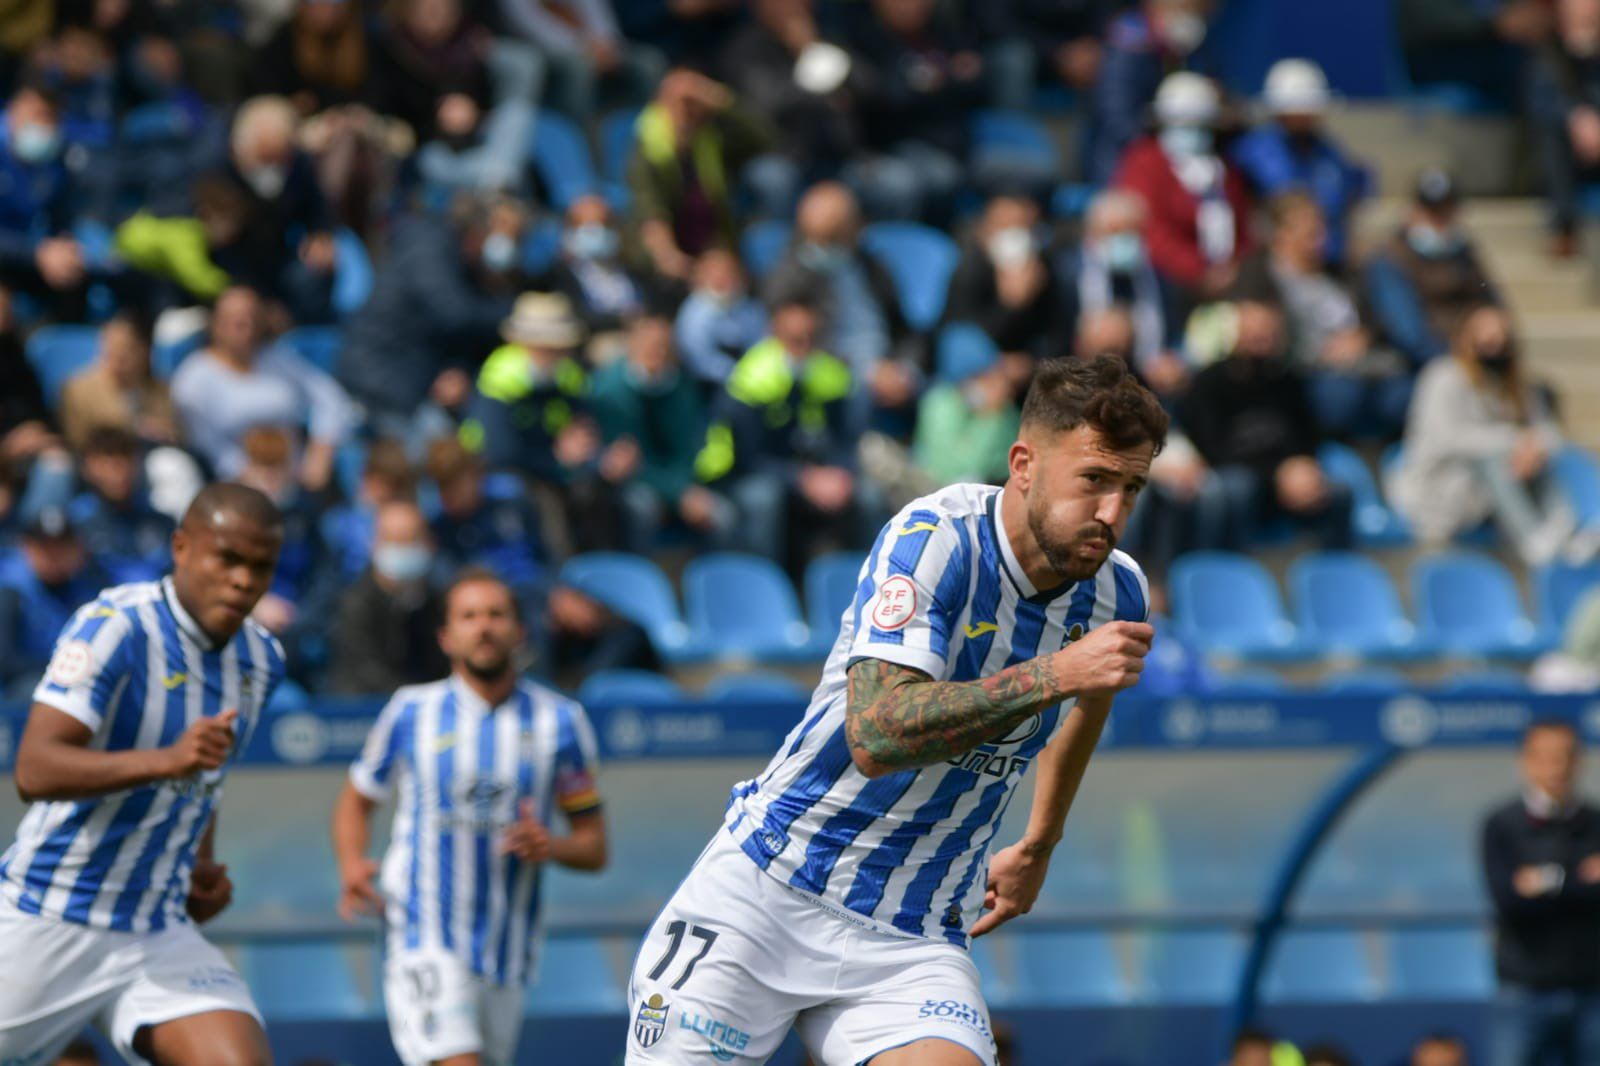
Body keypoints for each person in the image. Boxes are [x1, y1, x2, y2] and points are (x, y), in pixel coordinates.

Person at [628, 355, 1163, 1065]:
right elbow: (876, 734)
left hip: (911, 931)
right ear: (1024, 463)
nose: (1112, 513)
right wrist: (1055, 672)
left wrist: (1040, 842)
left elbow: (1087, 704)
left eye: (1132, 487)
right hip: (770, 888)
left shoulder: (1116, 590)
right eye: (1094, 480)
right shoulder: (934, 539)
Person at [0, 482, 286, 1066]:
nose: (243, 580)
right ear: (181, 547)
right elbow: (35, 768)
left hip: (154, 929)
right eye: (227, 558)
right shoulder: (115, 625)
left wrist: (199, 864)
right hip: (50, 912)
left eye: (260, 567)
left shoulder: (262, 659)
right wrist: (166, 759)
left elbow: (206, 774)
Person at [332, 568, 607, 1066]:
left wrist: (551, 845)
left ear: (520, 632)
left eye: (496, 615)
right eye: (469, 616)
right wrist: (353, 864)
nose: (484, 627)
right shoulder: (410, 712)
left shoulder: (560, 722)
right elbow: (357, 799)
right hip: (423, 930)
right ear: (446, 636)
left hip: (508, 950)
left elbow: (594, 846)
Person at [1387, 305, 1584, 565]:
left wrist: (1533, 447)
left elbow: (1549, 431)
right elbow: (1447, 439)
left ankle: (1564, 533)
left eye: (1501, 336)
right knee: (1495, 456)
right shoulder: (1443, 376)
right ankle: (1533, 541)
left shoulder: (1517, 383)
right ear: (1465, 337)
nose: (1493, 343)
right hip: (1441, 488)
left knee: (1537, 456)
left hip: (1495, 489)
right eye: (1484, 335)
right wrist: (1515, 443)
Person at [694, 293, 875, 574]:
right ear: (773, 335)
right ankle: (765, 592)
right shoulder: (750, 380)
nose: (802, 348)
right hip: (749, 476)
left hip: (815, 475)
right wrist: (802, 479)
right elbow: (749, 457)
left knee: (868, 496)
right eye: (794, 339)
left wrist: (840, 472)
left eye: (810, 338)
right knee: (764, 499)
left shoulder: (831, 374)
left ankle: (869, 594)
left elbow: (846, 439)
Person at [337, 192, 531, 439]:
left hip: (418, 378)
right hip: (380, 378)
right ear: (475, 232)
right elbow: (455, 314)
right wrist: (519, 313)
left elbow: (463, 335)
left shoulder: (468, 265)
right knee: (436, 453)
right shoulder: (428, 248)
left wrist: (457, 368)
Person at [1179, 298, 1353, 550]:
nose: (1261, 342)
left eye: (1269, 334)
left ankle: (1335, 575)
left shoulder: (1288, 379)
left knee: (1340, 492)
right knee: (1237, 488)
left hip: (1290, 477)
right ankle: (1230, 568)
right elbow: (1212, 448)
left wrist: (1304, 466)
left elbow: (1310, 434)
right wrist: (1276, 475)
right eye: (1254, 335)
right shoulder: (1208, 383)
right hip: (1242, 475)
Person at [1244, 191, 1411, 439]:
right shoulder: (1262, 278)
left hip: (1366, 366)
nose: (1321, 239)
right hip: (1309, 375)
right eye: (1310, 233)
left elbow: (1377, 320)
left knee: (1405, 391)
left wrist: (1363, 337)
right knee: (1341, 395)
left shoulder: (1339, 274)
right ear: (1281, 234)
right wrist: (1324, 355)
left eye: (1322, 229)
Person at [1481, 720, 1600, 1066]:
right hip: (1523, 989)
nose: (1555, 768)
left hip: (1591, 988)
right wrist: (1578, 880)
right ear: (1526, 761)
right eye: (1545, 757)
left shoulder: (1595, 823)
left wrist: (1544, 882)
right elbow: (1508, 901)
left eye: (1564, 757)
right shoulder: (1501, 824)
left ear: (1579, 761)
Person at [170, 285, 354, 489]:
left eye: (252, 318)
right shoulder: (194, 376)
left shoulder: (278, 360)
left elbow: (329, 397)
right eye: (236, 321)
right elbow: (203, 439)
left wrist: (321, 449)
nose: (246, 327)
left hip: (295, 478)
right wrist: (244, 472)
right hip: (232, 485)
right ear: (216, 324)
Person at [765, 182, 921, 419]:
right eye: (819, 239)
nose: (823, 247)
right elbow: (802, 342)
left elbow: (903, 327)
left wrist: (905, 368)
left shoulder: (873, 266)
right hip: (839, 373)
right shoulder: (790, 276)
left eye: (834, 236)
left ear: (854, 228)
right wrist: (869, 372)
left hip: (888, 364)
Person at [1114, 72, 1253, 311]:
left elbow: (1243, 227)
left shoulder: (1223, 169)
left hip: (1228, 286)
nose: (1193, 132)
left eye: (1200, 124)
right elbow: (1150, 230)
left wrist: (1234, 270)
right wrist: (1199, 272)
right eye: (1184, 124)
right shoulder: (1145, 161)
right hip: (1169, 289)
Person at [589, 312, 726, 553]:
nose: (656, 352)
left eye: (663, 346)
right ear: (631, 344)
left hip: (679, 481)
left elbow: (690, 448)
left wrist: (686, 489)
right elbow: (626, 462)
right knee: (643, 506)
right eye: (648, 344)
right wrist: (678, 493)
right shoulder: (607, 392)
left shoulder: (683, 388)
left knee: (723, 515)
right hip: (636, 483)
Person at [627, 68, 775, 283]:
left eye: (693, 103)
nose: (686, 110)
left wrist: (721, 99)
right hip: (671, 256)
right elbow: (649, 211)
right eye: (679, 102)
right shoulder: (647, 147)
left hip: (713, 245)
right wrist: (668, 256)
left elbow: (765, 139)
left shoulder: (710, 139)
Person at [840, 0, 981, 222]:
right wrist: (943, 80)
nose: (915, 5)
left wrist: (938, 83)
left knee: (1027, 170)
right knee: (934, 177)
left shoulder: (943, 32)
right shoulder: (865, 40)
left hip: (957, 141)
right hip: (892, 146)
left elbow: (974, 81)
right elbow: (890, 98)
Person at [200, 95, 337, 323]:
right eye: (266, 158)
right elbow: (221, 248)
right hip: (230, 269)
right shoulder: (215, 173)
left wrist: (320, 236)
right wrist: (263, 305)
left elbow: (317, 208)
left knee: (315, 277)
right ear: (243, 148)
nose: (274, 167)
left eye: (280, 158)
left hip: (281, 259)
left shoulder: (296, 164)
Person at [1231, 59, 1374, 268]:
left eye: (1310, 110)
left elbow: (1350, 189)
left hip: (1329, 260)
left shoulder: (1327, 152)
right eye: (1298, 111)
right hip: (1278, 266)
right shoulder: (1252, 153)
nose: (1306, 117)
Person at [1364, 168, 1502, 368]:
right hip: (1420, 370)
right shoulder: (1390, 259)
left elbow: (1492, 306)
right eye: (1433, 212)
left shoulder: (1464, 254)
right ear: (1414, 212)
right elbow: (1410, 335)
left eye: (1447, 210)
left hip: (1473, 360)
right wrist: (1461, 360)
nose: (1440, 220)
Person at [1061, 190, 1187, 402]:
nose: (1124, 239)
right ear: (1093, 233)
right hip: (1081, 387)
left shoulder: (1158, 277)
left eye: (1132, 231)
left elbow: (1175, 334)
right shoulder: (1067, 274)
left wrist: (1175, 361)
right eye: (1115, 230)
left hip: (1146, 387)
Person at [326, 498, 450, 695]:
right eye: (395, 541)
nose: (404, 549)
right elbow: (366, 672)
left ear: (430, 544)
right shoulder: (354, 604)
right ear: (375, 545)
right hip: (364, 711)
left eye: (412, 540)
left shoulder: (440, 602)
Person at [1084, 0, 1215, 185]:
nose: (1193, 17)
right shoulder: (1130, 40)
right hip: (1123, 166)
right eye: (1186, 8)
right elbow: (1118, 118)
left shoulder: (1189, 46)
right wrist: (1160, 155)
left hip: (1177, 163)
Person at [0, 507, 120, 695]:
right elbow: (5, 660)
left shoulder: (91, 586)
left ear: (78, 548)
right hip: (23, 687)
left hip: (78, 678)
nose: (54, 555)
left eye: (62, 546)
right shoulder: (10, 587)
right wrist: (63, 670)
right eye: (45, 547)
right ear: (27, 547)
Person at [944, 193, 1072, 367]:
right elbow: (963, 340)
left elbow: (1057, 337)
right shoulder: (967, 270)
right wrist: (1010, 305)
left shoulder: (1044, 269)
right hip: (981, 372)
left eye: (1020, 228)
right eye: (1004, 227)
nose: (1012, 237)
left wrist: (1030, 362)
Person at [0, 79, 90, 320]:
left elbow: (60, 218)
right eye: (37, 114)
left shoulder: (56, 160)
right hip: (14, 252)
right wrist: (37, 253)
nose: (43, 125)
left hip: (22, 255)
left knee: (74, 277)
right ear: (12, 110)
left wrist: (64, 248)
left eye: (51, 118)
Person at [497, 0, 663, 121]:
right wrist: (582, 47)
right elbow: (530, 27)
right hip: (544, 49)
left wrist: (606, 44)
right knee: (579, 68)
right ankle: (579, 139)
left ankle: (647, 136)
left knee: (649, 61)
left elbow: (599, 14)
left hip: (596, 45)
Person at [1527, 0, 1600, 258]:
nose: (1584, 22)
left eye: (1591, 16)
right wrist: (1575, 115)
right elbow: (1541, 100)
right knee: (1551, 135)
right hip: (1573, 151)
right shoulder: (1549, 52)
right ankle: (1563, 227)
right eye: (1576, 16)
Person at [914, 323, 1020, 488]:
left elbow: (1012, 460)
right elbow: (953, 471)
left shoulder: (1004, 407)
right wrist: (989, 418)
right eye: (981, 376)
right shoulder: (940, 404)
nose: (991, 383)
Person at [544, 194, 647, 357]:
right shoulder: (560, 274)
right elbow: (573, 317)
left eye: (604, 224)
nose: (597, 231)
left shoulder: (634, 271)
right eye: (587, 225)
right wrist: (622, 320)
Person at [58, 312, 178, 453]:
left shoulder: (161, 389)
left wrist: (165, 432)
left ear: (146, 351)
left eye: (126, 349)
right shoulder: (78, 389)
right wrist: (135, 428)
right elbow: (76, 441)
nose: (118, 358)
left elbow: (177, 436)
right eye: (112, 348)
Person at [68, 427, 173, 581]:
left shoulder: (159, 522)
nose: (118, 471)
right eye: (106, 461)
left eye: (126, 458)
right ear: (86, 468)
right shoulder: (74, 524)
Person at [674, 246, 768, 386]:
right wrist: (735, 374)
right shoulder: (693, 313)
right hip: (706, 384)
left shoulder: (750, 308)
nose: (723, 279)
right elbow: (698, 358)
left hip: (750, 378)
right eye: (715, 274)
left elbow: (760, 344)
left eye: (729, 273)